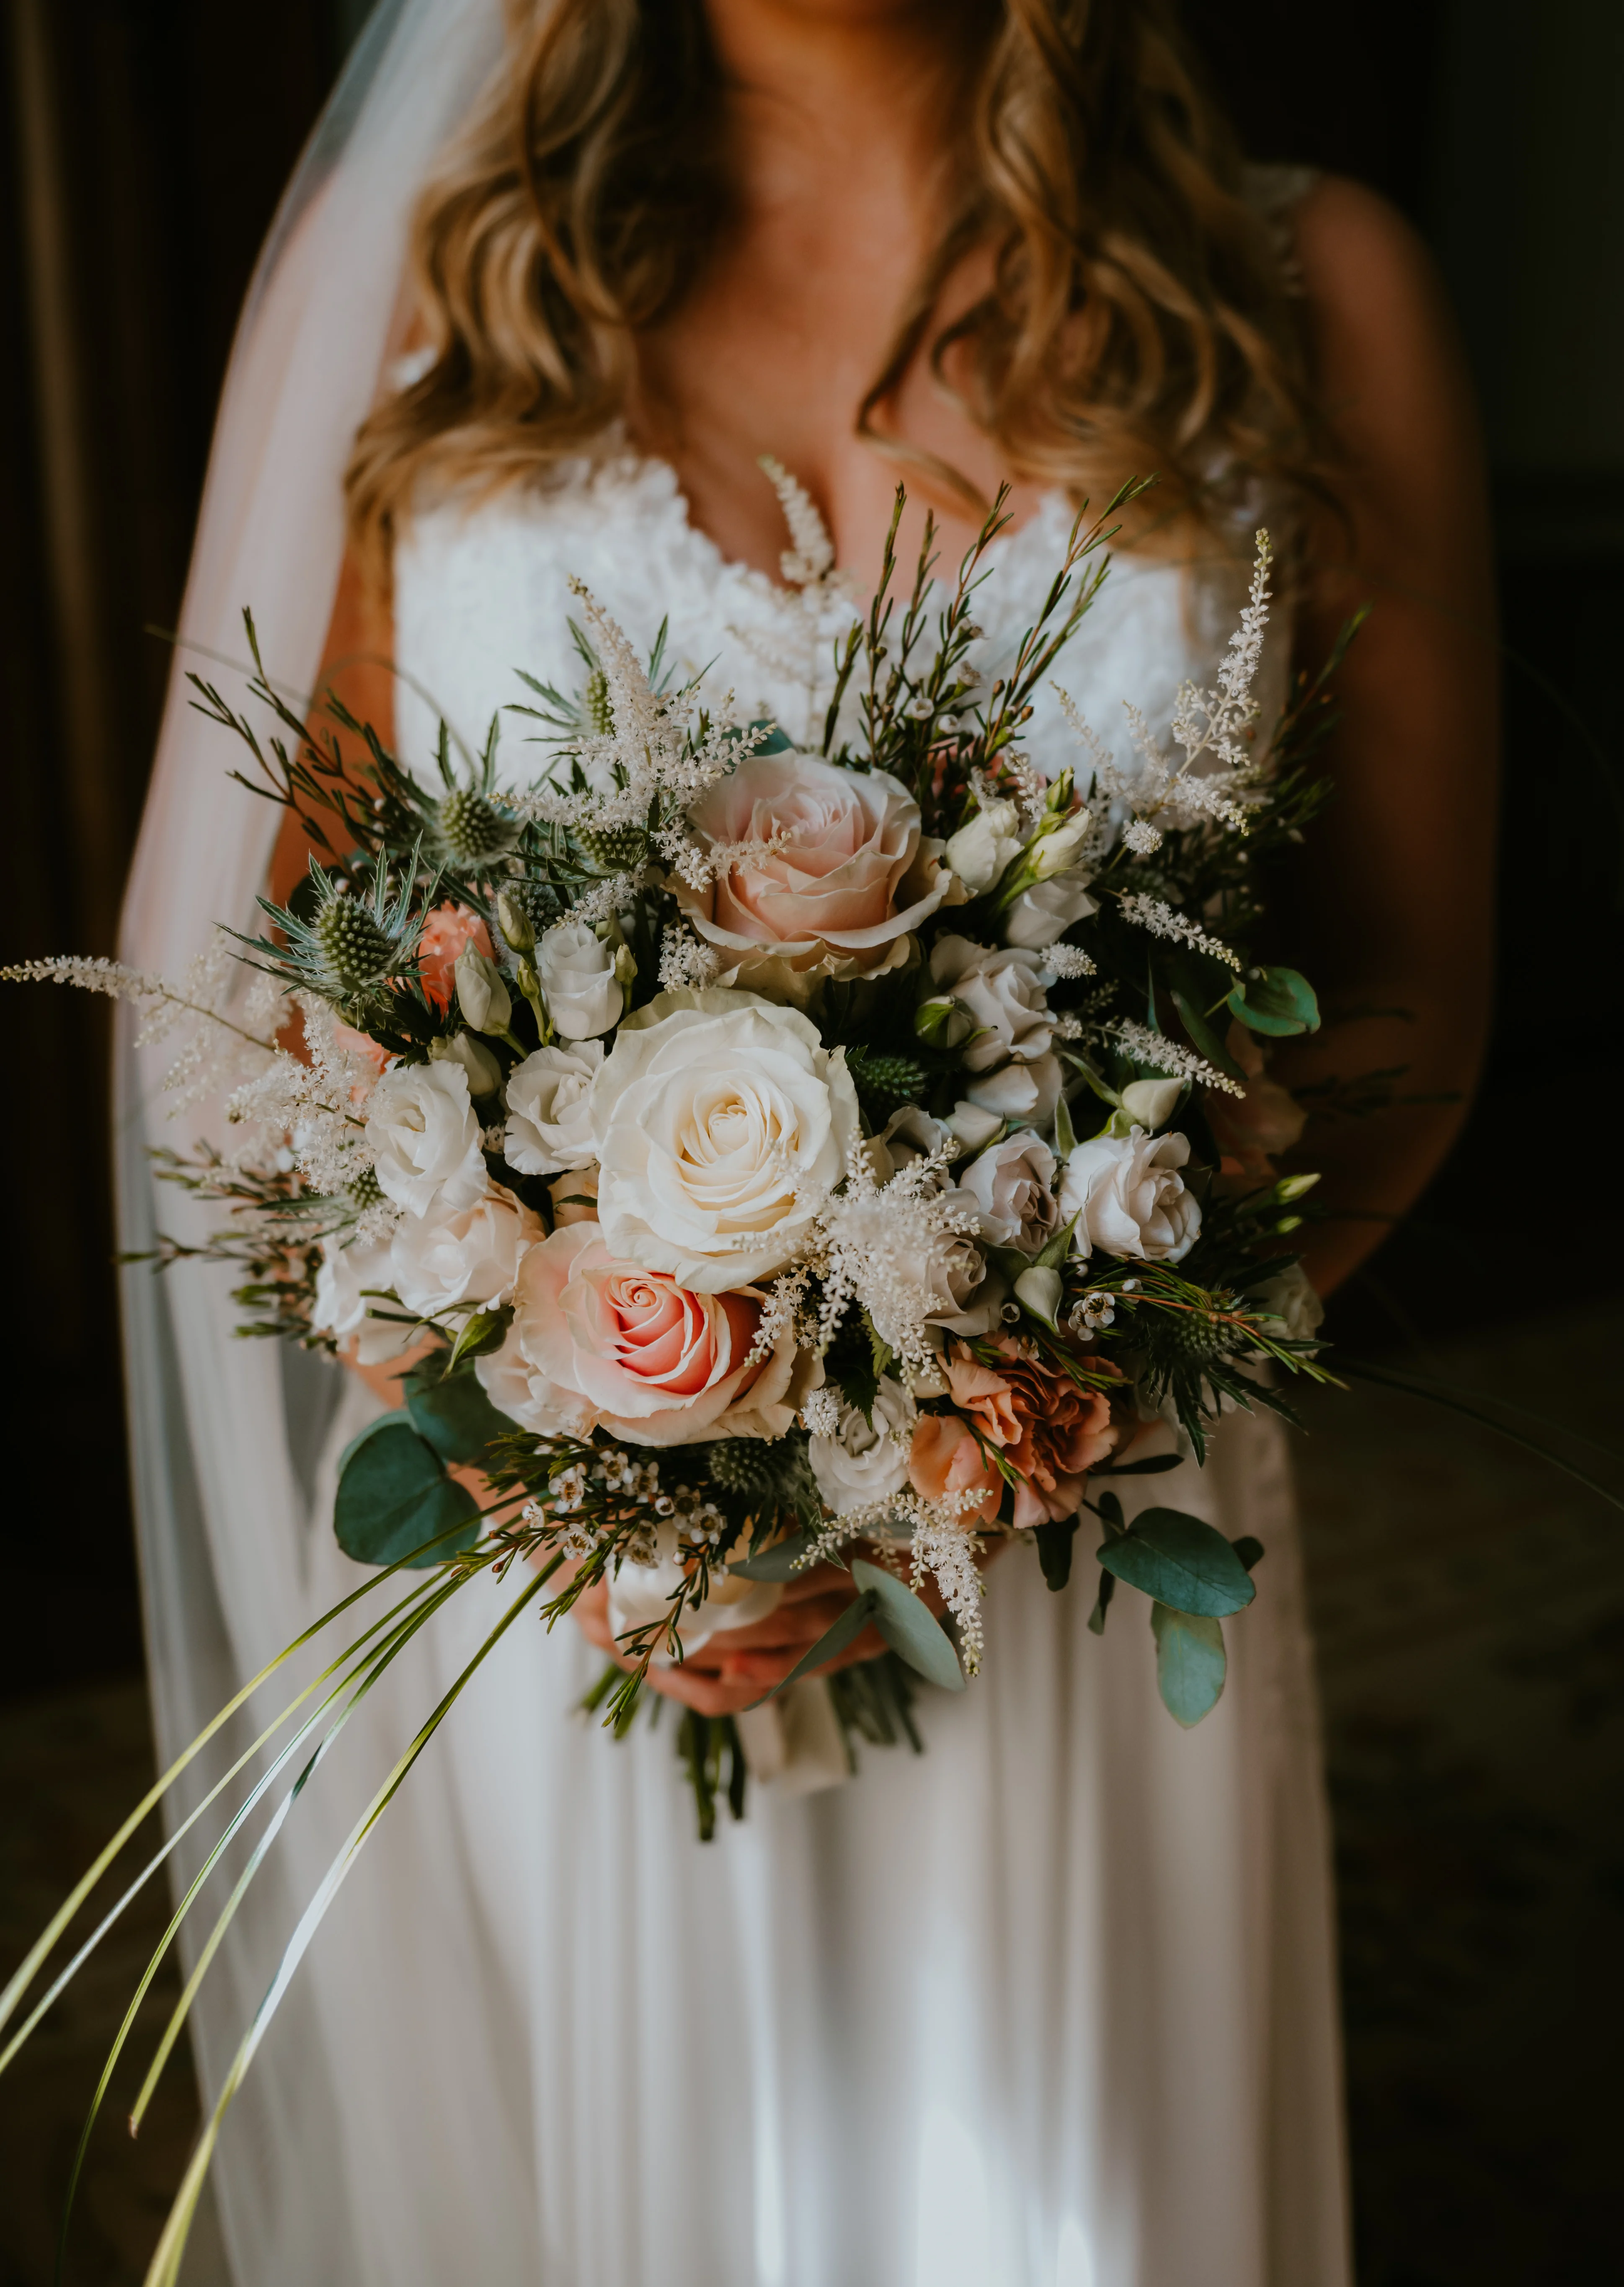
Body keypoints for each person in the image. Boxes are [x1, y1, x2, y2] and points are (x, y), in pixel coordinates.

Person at [119, 3, 1494, 2282]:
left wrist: (1015, 1405)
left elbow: (1416, 1006)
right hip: (582, 1611)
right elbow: (257, 1016)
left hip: (1076, 1559)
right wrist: (568, 1465)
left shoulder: (1312, 293)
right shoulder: (418, 284)